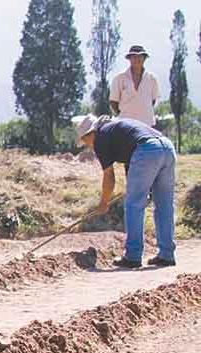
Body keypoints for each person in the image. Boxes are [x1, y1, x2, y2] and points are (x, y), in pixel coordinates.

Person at [74, 114, 176, 268]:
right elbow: (131, 161)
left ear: (90, 133)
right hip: (167, 148)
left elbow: (109, 177)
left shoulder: (101, 138)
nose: (87, 146)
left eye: (85, 141)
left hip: (147, 150)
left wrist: (104, 202)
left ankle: (133, 256)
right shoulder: (116, 129)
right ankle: (167, 255)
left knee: (133, 205)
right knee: (164, 205)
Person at [110, 44, 159, 126]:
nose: (137, 59)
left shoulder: (152, 78)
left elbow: (153, 101)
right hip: (126, 125)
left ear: (144, 58)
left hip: (147, 124)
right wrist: (125, 113)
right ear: (129, 59)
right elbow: (113, 102)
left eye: (140, 56)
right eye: (134, 56)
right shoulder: (119, 78)